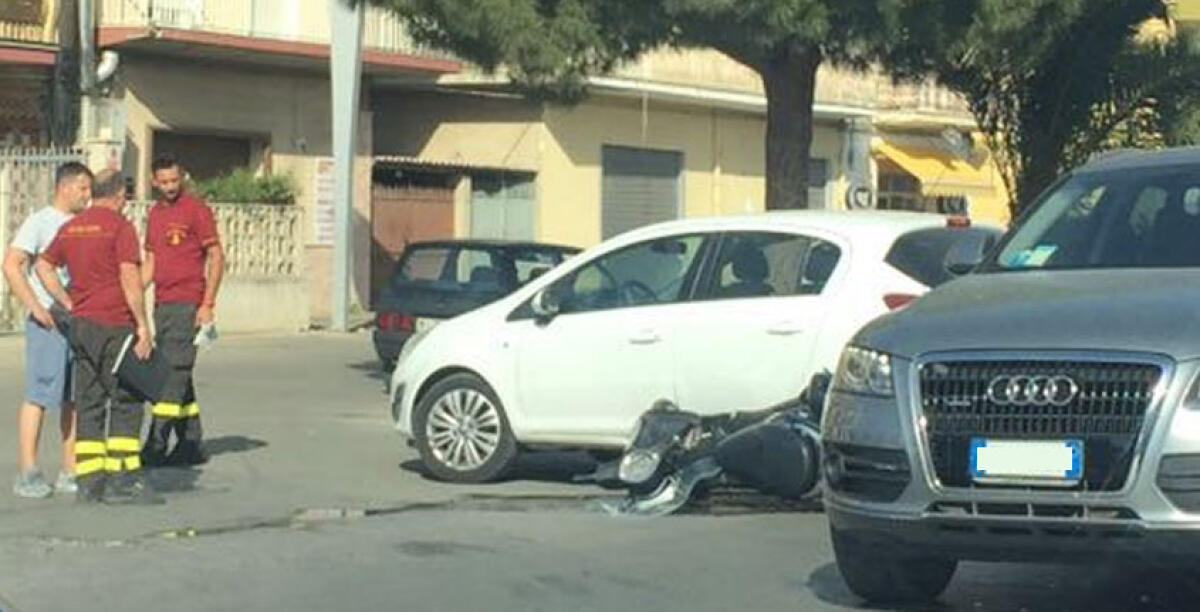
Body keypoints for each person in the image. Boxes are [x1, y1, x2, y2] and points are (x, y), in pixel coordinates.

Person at [35, 169, 163, 504]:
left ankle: (89, 481)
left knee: (89, 402)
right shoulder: (120, 227)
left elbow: (42, 267)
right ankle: (123, 479)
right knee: (126, 398)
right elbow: (129, 278)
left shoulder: (72, 226)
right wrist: (142, 326)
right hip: (113, 324)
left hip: (81, 326)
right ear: (119, 194)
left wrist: (67, 301)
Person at [1, 163, 92, 498]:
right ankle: (28, 470)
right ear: (65, 187)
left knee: (74, 398)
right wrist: (35, 307)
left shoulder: (84, 224)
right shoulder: (40, 222)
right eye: (82, 187)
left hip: (77, 323)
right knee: (40, 395)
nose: (87, 195)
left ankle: (70, 469)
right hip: (48, 323)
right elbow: (11, 264)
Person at [140, 155, 223, 466]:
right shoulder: (155, 214)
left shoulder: (196, 210)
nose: (170, 187)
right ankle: (190, 442)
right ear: (154, 182)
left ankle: (157, 442)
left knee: (171, 375)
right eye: (164, 182)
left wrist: (207, 304)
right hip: (162, 305)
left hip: (188, 304)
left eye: (175, 181)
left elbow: (216, 257)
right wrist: (132, 295)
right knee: (180, 374)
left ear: (182, 177)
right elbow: (151, 264)